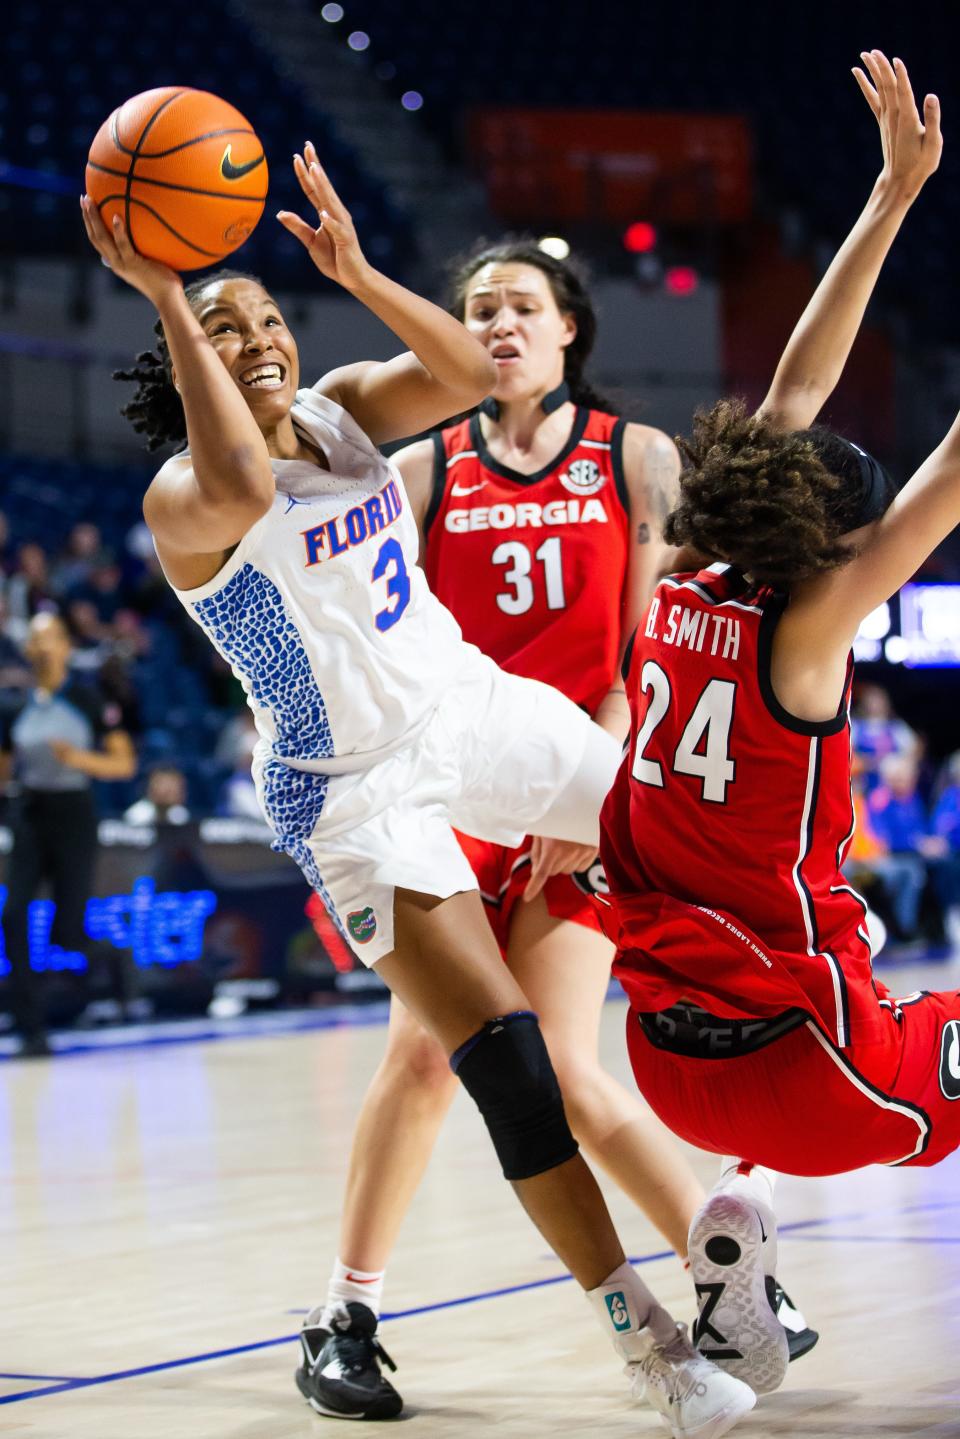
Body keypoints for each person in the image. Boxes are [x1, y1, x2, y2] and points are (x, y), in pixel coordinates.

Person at [82, 146, 755, 1438]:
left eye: (270, 317)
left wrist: (352, 271)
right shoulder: (185, 497)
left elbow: (457, 374)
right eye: (232, 329)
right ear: (182, 356)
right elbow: (235, 473)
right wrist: (172, 294)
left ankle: (813, 1019)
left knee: (686, 822)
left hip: (468, 708)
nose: (263, 339)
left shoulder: (339, 410)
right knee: (504, 1059)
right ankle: (650, 1341)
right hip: (353, 787)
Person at [309, 235, 816, 1420]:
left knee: (574, 1068)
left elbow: (651, 643)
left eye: (520, 306)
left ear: (569, 328)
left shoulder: (631, 456)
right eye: (477, 307)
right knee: (420, 1055)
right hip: (443, 783)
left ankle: (735, 1277)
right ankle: (347, 1311)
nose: (497, 324)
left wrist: (584, 794)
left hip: (571, 775)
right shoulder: (426, 467)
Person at [598, 51, 951, 1397]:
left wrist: (890, 198)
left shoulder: (683, 579)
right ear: (830, 551)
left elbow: (788, 404)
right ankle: (751, 1223)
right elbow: (950, 470)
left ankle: (737, 1260)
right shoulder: (807, 632)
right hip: (811, 1072)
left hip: (664, 1058)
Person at [0, 612, 136, 1054]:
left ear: (65, 647)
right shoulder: (15, 705)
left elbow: (123, 764)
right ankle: (30, 1028)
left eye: (51, 638)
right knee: (14, 914)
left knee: (68, 934)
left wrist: (79, 759)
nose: (43, 646)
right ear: (28, 649)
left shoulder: (86, 700)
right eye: (35, 639)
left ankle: (117, 969)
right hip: (29, 811)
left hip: (74, 813)